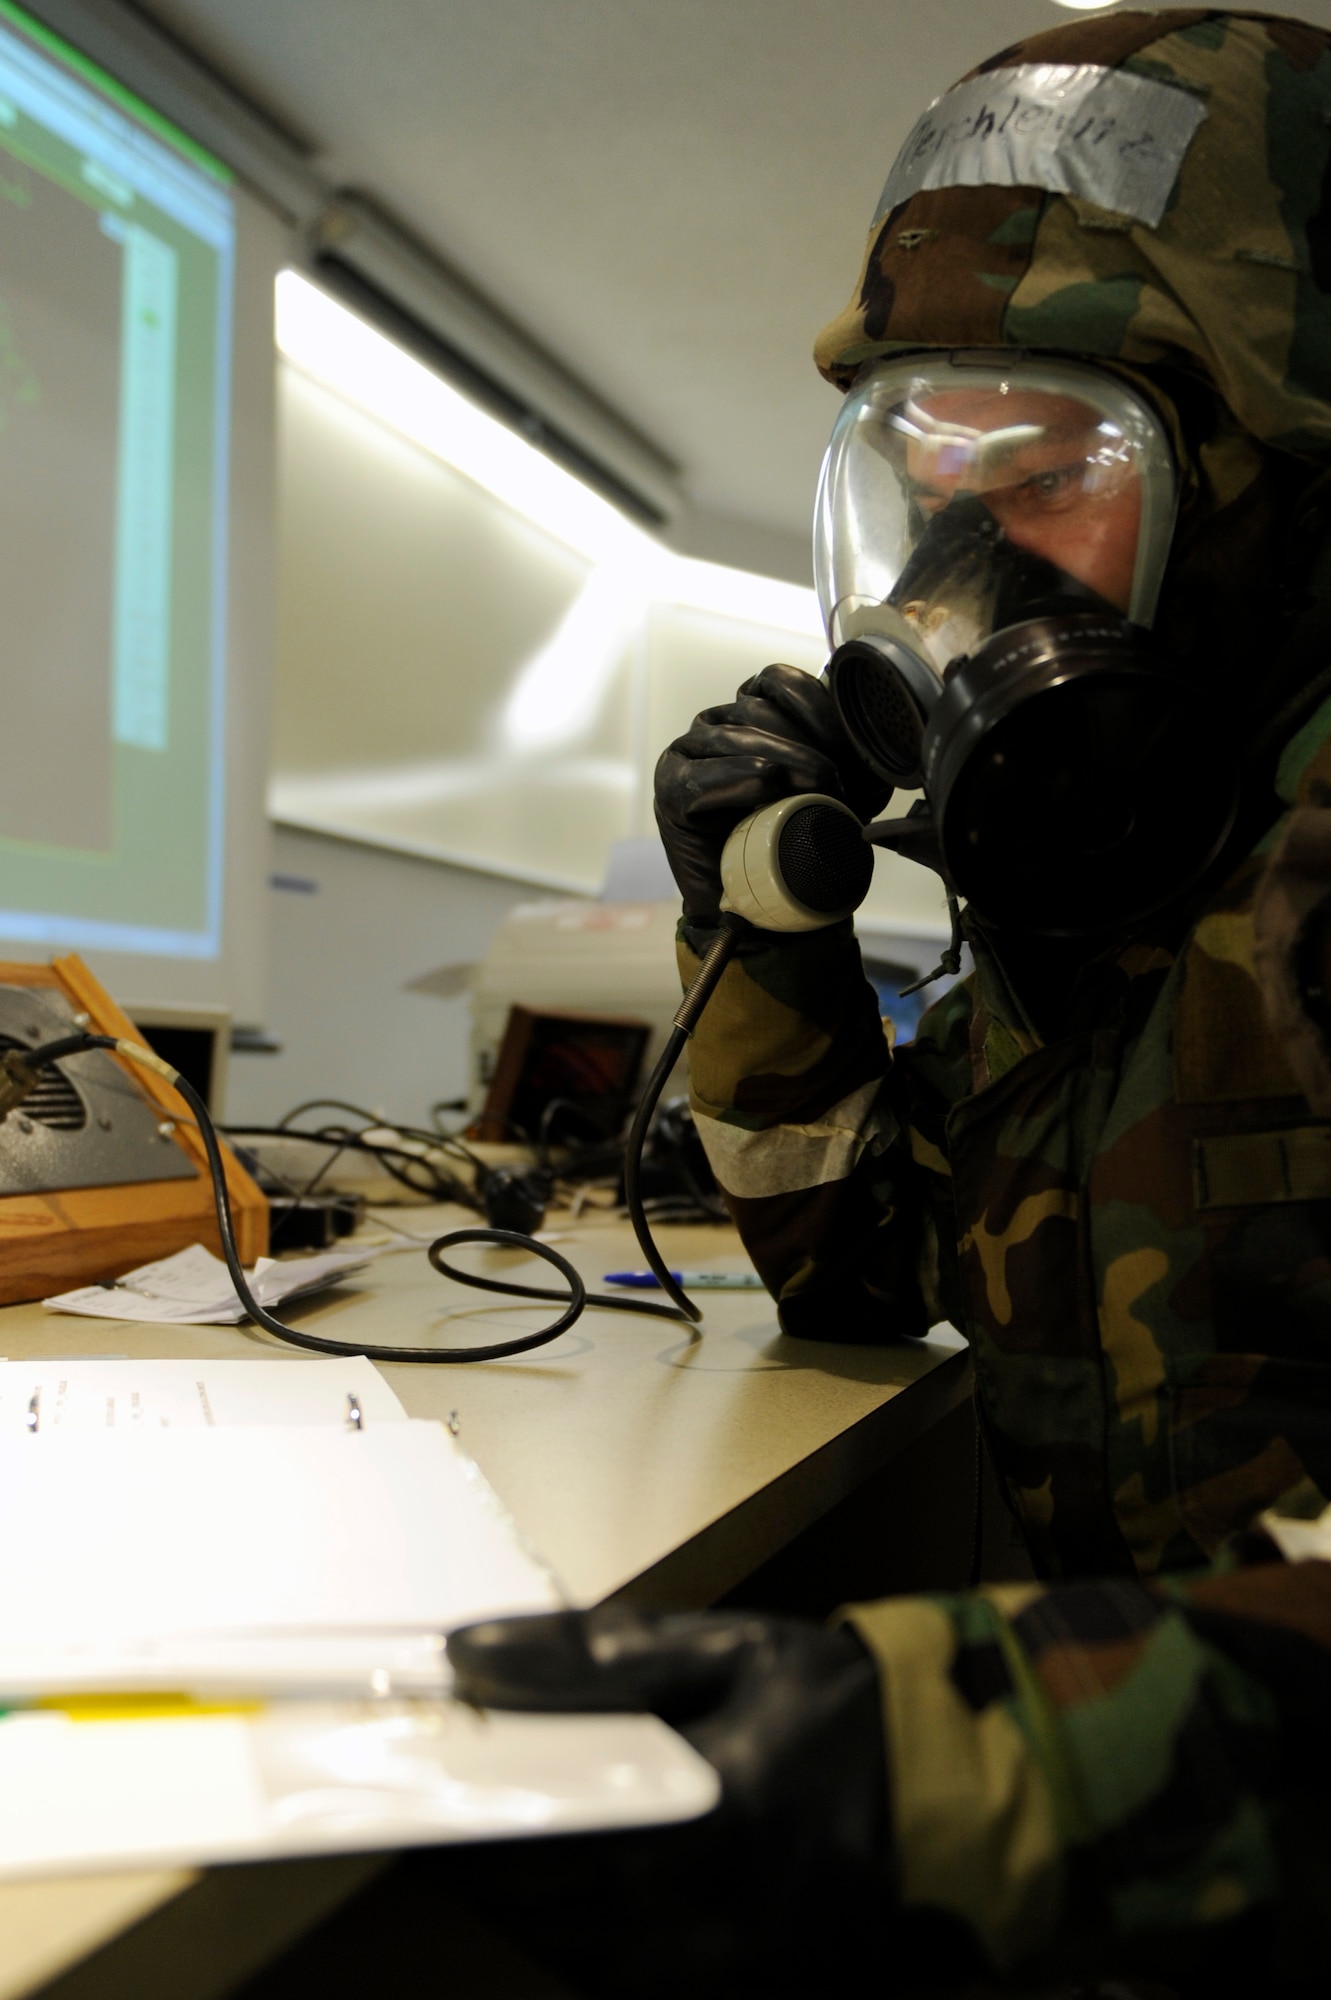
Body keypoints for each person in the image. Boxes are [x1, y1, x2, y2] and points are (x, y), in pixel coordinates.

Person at [444, 12, 1331, 1993]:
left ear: (1275, 481)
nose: (961, 568)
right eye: (927, 477)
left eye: (1050, 470)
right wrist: (761, 925)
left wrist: (978, 1754)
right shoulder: (1115, 884)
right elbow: (864, 1273)